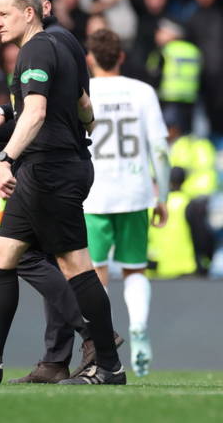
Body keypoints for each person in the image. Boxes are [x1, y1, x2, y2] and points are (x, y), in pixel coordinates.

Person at [0, 0, 124, 385]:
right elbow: (81, 105)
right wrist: (0, 117)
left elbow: (37, 111)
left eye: (3, 15)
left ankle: (107, 361)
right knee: (6, 256)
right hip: (58, 162)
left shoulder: (35, 49)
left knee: (74, 264)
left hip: (50, 170)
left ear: (29, 13)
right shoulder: (68, 44)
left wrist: (6, 159)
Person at [83, 29, 170, 377]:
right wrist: (162, 196)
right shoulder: (142, 91)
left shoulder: (84, 91)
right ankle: (138, 326)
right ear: (121, 57)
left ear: (89, 58)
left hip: (94, 193)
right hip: (135, 191)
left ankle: (103, 346)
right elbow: (161, 150)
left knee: (96, 273)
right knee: (135, 269)